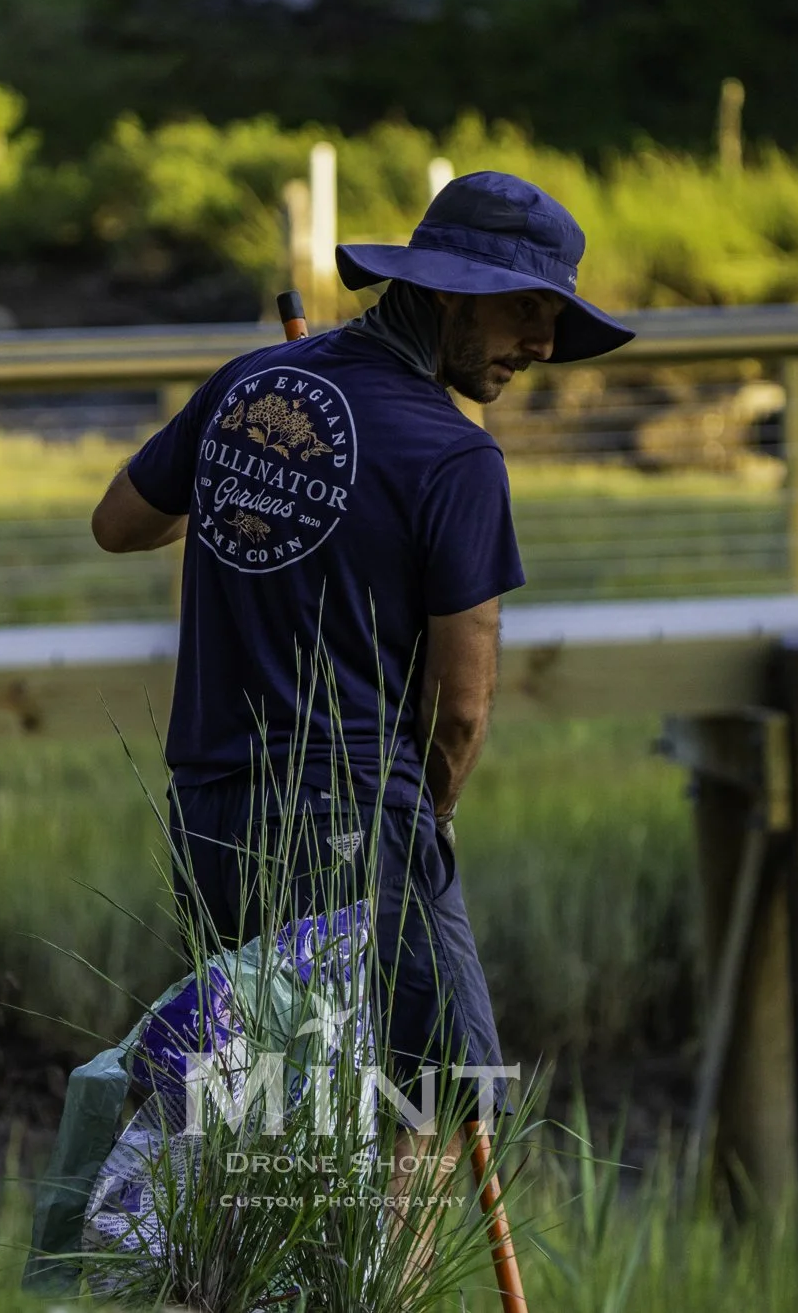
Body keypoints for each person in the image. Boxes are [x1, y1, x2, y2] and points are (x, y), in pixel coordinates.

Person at [90, 171, 633, 1155]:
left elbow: (121, 522)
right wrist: (432, 818)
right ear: (451, 293)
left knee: (260, 1129)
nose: (544, 347)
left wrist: (260, 473)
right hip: (355, 820)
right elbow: (459, 712)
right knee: (424, 1115)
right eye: (525, 312)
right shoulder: (455, 459)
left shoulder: (245, 387)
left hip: (212, 817)